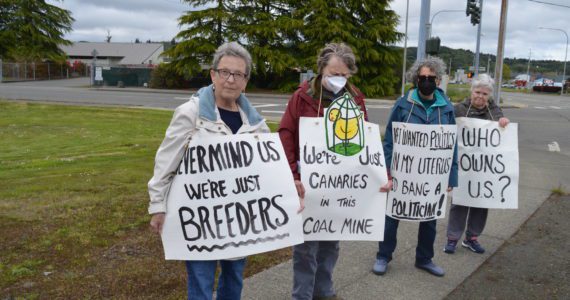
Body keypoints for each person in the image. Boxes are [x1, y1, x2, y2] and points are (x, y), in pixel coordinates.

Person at [147, 42, 270, 300]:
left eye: (238, 74)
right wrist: (157, 204)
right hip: (200, 220)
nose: (230, 79)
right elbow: (166, 161)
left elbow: (268, 169)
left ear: (246, 81)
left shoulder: (256, 123)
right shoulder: (191, 114)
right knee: (201, 283)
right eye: (225, 72)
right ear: (213, 74)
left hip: (240, 220)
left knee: (234, 279)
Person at [279, 43, 368, 300]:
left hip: (339, 187)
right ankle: (302, 295)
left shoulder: (356, 99)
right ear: (321, 71)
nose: (337, 79)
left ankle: (324, 291)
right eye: (332, 73)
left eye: (343, 74)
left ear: (350, 74)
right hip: (308, 185)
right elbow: (286, 134)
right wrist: (293, 175)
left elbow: (366, 140)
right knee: (305, 248)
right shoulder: (301, 97)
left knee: (331, 243)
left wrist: (374, 177)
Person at [372, 57, 458, 277]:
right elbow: (389, 139)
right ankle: (383, 255)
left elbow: (452, 144)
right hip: (402, 173)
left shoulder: (446, 108)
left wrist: (451, 177)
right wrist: (387, 170)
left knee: (429, 218)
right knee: (392, 215)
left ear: (438, 80)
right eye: (423, 78)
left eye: (431, 78)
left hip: (432, 176)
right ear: (415, 79)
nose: (427, 81)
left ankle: (424, 258)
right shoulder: (403, 104)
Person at [443, 73, 510, 255]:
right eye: (477, 92)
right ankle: (452, 238)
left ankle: (472, 238)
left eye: (485, 94)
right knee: (459, 202)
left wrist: (503, 123)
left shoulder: (495, 112)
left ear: (489, 96)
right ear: (471, 91)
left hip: (483, 168)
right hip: (463, 166)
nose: (480, 96)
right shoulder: (459, 110)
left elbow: (501, 135)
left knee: (481, 202)